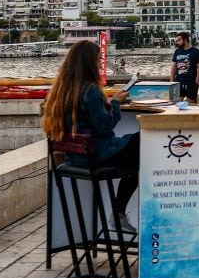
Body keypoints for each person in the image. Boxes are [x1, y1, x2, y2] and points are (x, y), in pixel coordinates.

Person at [41, 40, 139, 233]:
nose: (99, 64)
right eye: (97, 60)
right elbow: (104, 126)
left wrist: (108, 103)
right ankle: (119, 214)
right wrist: (115, 103)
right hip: (96, 156)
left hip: (74, 158)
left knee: (137, 151)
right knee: (143, 144)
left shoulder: (59, 91)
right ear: (89, 63)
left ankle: (119, 215)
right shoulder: (90, 91)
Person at [170, 31, 199, 102]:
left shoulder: (195, 51)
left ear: (185, 40)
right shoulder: (177, 51)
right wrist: (171, 80)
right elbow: (174, 66)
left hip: (191, 82)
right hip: (179, 82)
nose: (177, 42)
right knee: (176, 103)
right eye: (176, 41)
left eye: (179, 40)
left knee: (191, 103)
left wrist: (196, 82)